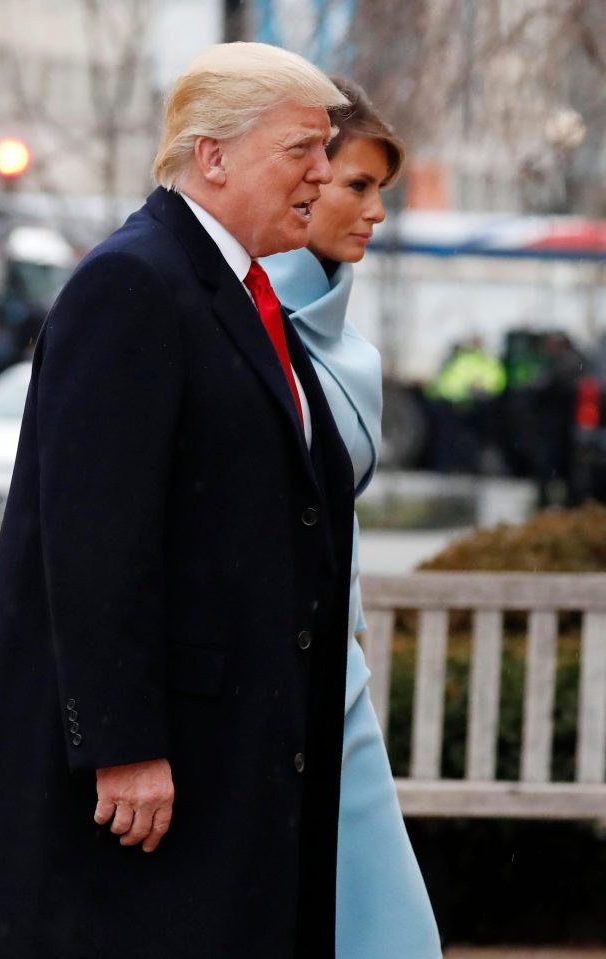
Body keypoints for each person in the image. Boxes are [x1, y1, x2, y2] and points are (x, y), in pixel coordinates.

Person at [0, 44, 355, 959]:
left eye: (326, 150)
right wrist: (123, 745)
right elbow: (93, 538)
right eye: (302, 150)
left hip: (230, 749)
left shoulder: (236, 290)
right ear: (213, 157)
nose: (324, 172)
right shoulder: (134, 281)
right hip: (154, 771)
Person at [263, 79, 444, 958]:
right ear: (299, 179)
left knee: (389, 930)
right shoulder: (225, 316)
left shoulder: (356, 352)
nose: (375, 212)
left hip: (334, 669)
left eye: (381, 190)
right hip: (253, 681)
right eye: (355, 186)